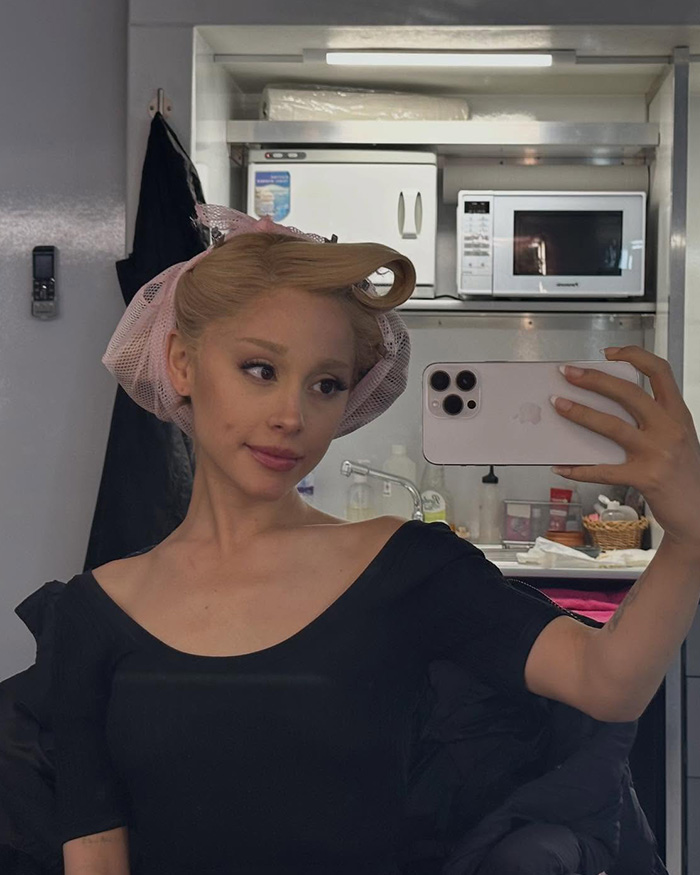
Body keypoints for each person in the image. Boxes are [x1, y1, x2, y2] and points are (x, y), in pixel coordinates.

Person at [51, 205, 700, 875]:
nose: (291, 415)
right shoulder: (92, 614)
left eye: (326, 384)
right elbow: (96, 854)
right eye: (260, 369)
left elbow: (606, 682)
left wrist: (688, 537)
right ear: (183, 364)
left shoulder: (410, 568)